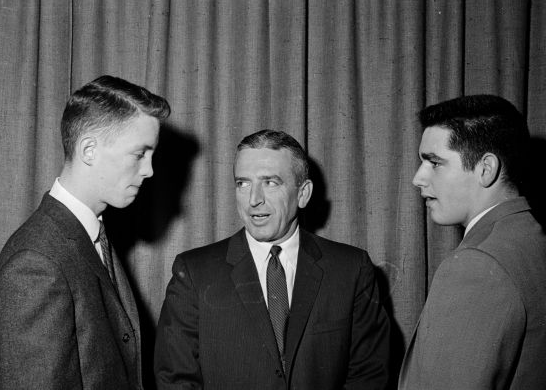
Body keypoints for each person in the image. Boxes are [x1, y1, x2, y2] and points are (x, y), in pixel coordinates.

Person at [154, 129, 390, 389]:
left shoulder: (351, 269)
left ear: (303, 193)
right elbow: (175, 380)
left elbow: (369, 375)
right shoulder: (195, 272)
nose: (254, 200)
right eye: (243, 183)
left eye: (270, 182)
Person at [0, 75, 170, 389]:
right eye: (140, 154)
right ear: (88, 150)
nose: (149, 170)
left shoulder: (90, 234)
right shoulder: (34, 264)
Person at [399, 95, 546, 389]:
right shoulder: (530, 236)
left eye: (434, 162)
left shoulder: (477, 265)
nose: (418, 178)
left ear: (485, 168)